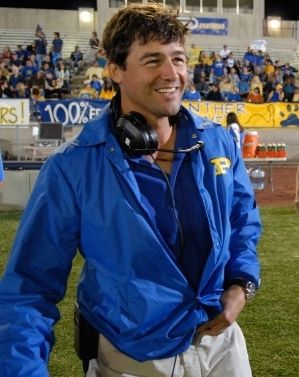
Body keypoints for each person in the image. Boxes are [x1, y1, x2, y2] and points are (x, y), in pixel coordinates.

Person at [0, 4, 261, 377]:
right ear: (116, 69)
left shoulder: (217, 142)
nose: (172, 74)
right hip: (132, 360)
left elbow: (243, 220)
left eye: (178, 59)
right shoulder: (74, 166)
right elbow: (29, 288)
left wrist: (240, 284)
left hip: (223, 352)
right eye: (152, 60)